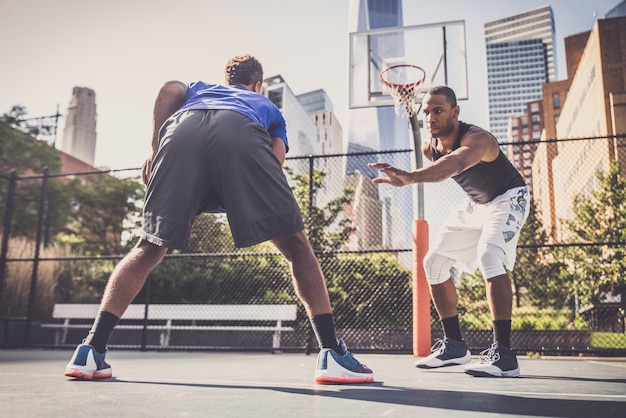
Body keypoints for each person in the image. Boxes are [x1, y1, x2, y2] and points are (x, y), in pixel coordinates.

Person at [64, 54, 374, 385]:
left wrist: (155, 150)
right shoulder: (262, 104)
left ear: (227, 81)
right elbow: (276, 159)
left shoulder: (197, 90)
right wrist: (243, 193)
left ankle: (90, 350)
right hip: (239, 133)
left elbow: (168, 88)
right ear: (258, 85)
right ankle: (331, 353)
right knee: (297, 246)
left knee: (147, 247)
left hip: (180, 134)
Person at [369, 86, 529, 378]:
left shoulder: (479, 139)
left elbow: (455, 163)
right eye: (426, 112)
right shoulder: (430, 146)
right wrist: (414, 174)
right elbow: (442, 162)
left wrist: (410, 177)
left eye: (438, 110)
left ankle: (504, 355)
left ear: (455, 112)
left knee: (489, 256)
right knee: (434, 263)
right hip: (476, 204)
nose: (430, 117)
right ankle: (455, 346)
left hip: (509, 198)